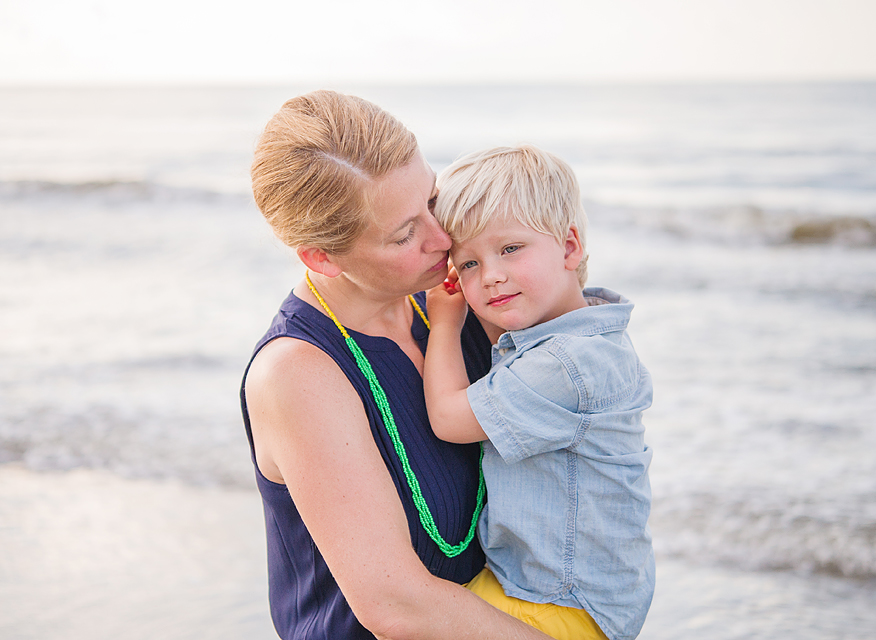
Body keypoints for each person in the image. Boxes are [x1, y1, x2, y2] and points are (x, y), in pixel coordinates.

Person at [240, 90, 552, 640]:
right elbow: (396, 604)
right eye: (405, 234)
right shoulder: (297, 373)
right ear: (321, 257)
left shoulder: (451, 301)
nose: (442, 238)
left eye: (434, 200)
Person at [423, 144, 655, 640]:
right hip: (543, 583)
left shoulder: (567, 365)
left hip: (561, 602)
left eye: (510, 249)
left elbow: (448, 417)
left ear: (569, 247)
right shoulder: (573, 333)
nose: (491, 276)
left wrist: (445, 324)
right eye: (467, 265)